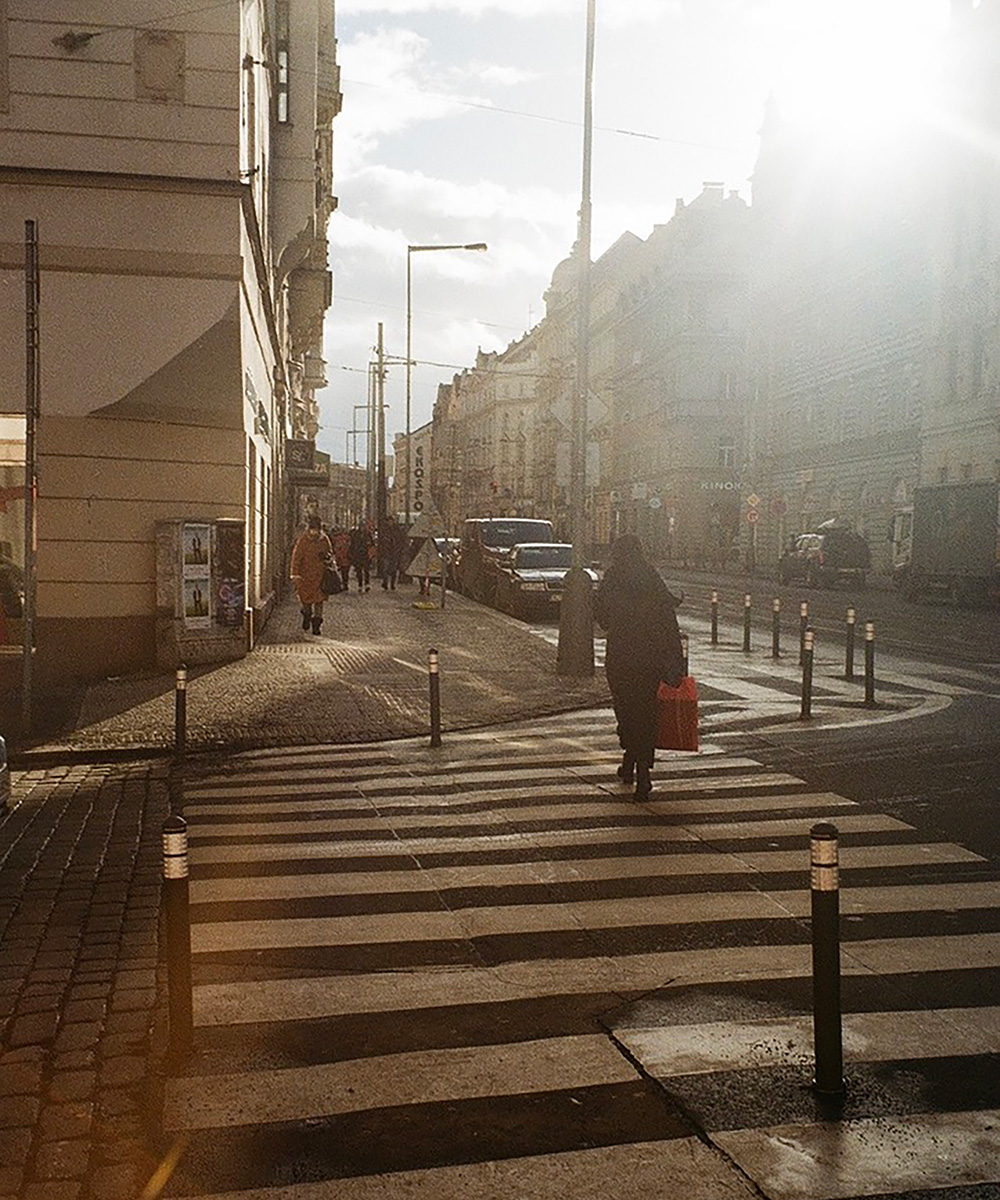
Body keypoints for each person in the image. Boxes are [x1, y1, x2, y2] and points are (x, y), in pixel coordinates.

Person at [593, 533, 685, 800]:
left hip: (622, 654)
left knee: (625, 708)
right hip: (650, 656)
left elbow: (602, 618)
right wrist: (675, 659)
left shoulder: (613, 577)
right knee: (646, 711)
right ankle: (640, 768)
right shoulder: (651, 577)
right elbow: (669, 617)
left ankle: (632, 762)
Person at [291, 514, 334, 634]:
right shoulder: (303, 541)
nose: (314, 532)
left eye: (317, 529)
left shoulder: (324, 540)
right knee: (306, 601)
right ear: (309, 528)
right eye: (312, 529)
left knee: (319, 602)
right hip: (305, 577)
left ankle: (316, 626)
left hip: (320, 576)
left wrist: (327, 558)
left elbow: (330, 554)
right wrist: (295, 574)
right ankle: (306, 614)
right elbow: (296, 558)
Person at [379, 518, 403, 590]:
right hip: (386, 553)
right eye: (389, 521)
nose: (390, 522)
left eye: (391, 521)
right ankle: (385, 583)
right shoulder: (385, 530)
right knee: (385, 569)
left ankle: (392, 584)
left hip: (394, 553)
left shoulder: (396, 530)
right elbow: (381, 542)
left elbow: (399, 540)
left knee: (394, 570)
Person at [349, 520, 373, 592]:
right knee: (359, 570)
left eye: (363, 526)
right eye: (361, 526)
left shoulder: (368, 534)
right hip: (358, 554)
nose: (362, 528)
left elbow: (371, 544)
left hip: (365, 554)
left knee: (366, 570)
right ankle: (360, 584)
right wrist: (352, 554)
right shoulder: (356, 534)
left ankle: (367, 584)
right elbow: (352, 544)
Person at [331, 526, 352, 592]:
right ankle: (345, 583)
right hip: (346, 556)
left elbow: (336, 547)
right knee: (346, 571)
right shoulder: (347, 538)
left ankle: (344, 583)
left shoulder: (338, 539)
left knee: (343, 571)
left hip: (342, 556)